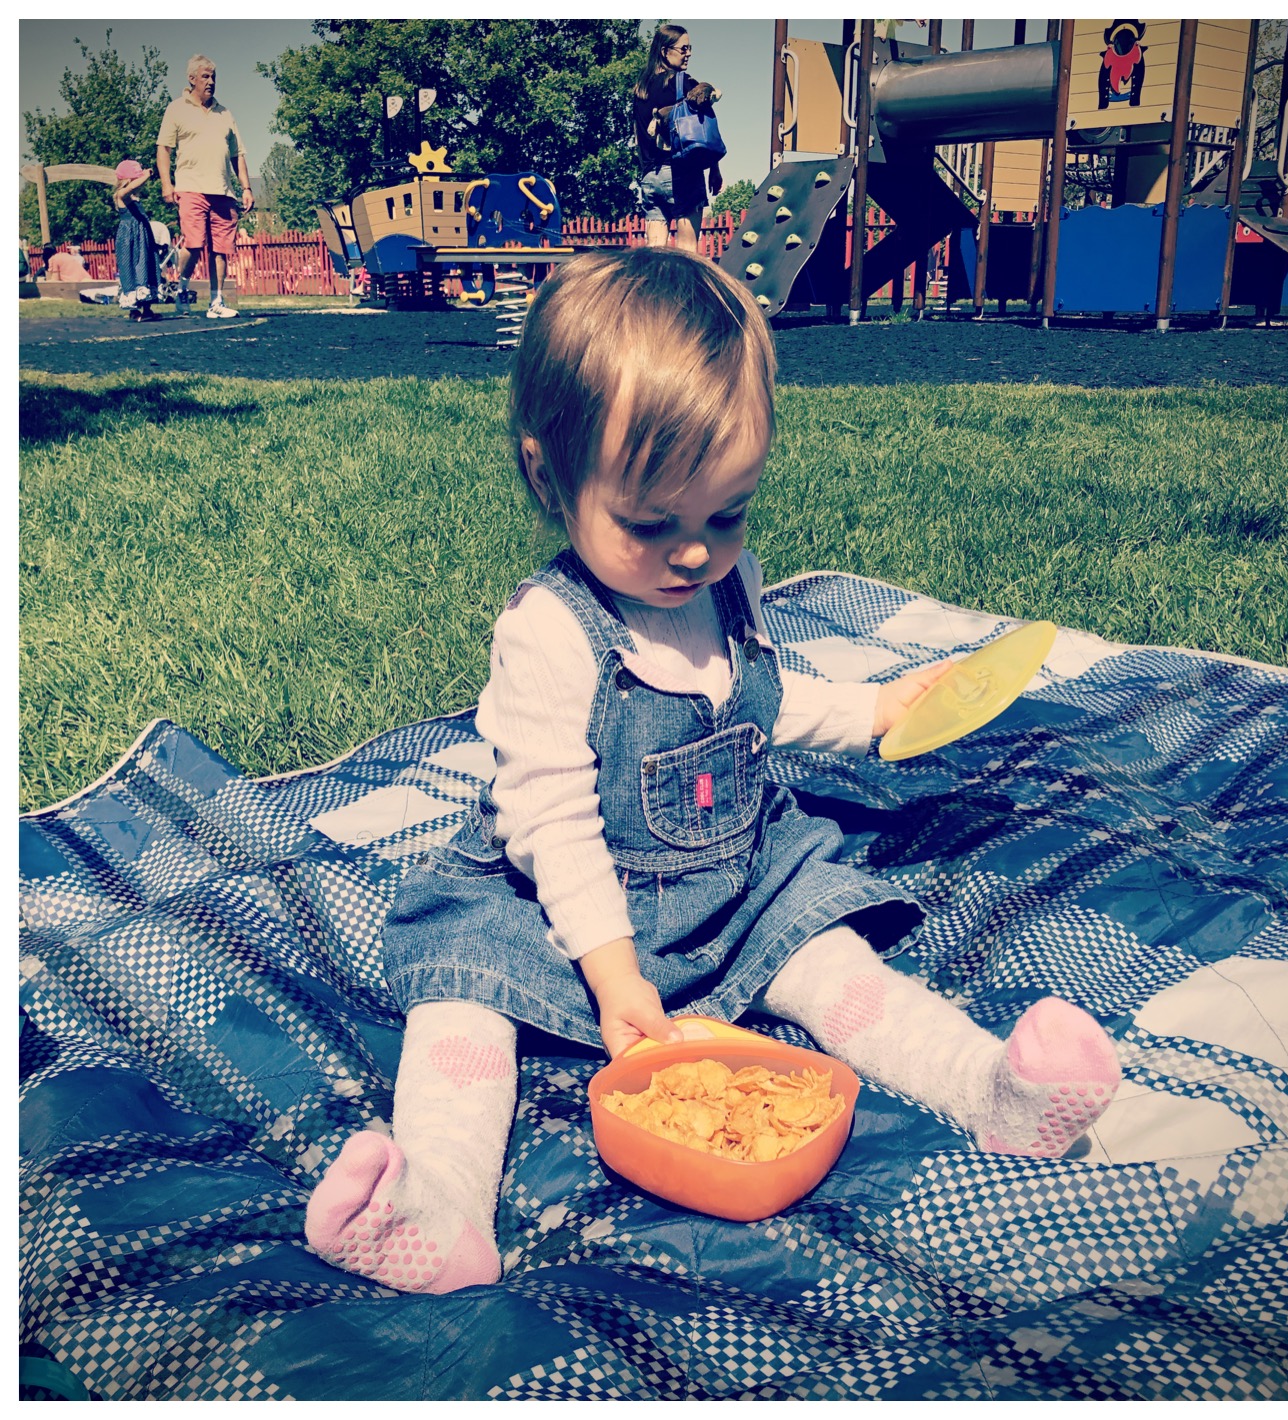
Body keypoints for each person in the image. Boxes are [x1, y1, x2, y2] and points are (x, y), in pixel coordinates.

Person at [302, 248, 1123, 1294]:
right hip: (557, 913)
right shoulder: (550, 631)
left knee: (837, 967)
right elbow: (551, 819)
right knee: (460, 1001)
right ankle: (440, 1205)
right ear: (550, 478)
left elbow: (762, 706)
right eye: (650, 524)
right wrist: (613, 975)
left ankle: (993, 1091)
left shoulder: (729, 589)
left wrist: (878, 711)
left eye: (726, 515)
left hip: (730, 884)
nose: (693, 554)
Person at [156, 53, 252, 319]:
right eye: (205, 77)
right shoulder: (176, 109)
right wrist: (167, 184)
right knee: (194, 244)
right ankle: (182, 289)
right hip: (191, 187)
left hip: (223, 190)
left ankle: (216, 301)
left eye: (213, 77)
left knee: (221, 249)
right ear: (192, 79)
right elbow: (163, 149)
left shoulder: (225, 113)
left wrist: (246, 188)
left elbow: (238, 154)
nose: (210, 82)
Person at [632, 24, 723, 252]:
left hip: (650, 177)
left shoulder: (641, 89)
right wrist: (714, 169)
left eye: (690, 48)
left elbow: (638, 135)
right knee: (687, 252)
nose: (688, 53)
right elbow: (703, 131)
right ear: (665, 51)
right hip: (682, 174)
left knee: (654, 253)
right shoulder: (684, 83)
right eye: (683, 49)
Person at [111, 159, 162, 321]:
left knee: (146, 267)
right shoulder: (121, 195)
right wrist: (145, 176)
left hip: (143, 238)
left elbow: (134, 189)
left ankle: (147, 309)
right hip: (129, 240)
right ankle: (134, 310)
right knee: (131, 268)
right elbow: (128, 190)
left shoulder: (135, 198)